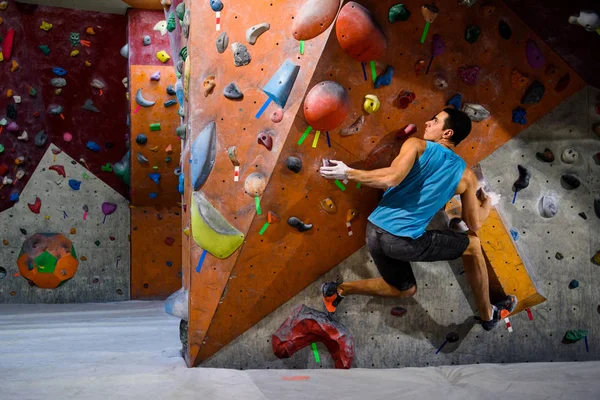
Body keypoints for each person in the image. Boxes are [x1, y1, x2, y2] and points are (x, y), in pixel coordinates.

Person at [318, 108, 516, 331]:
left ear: (447, 133)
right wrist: (487, 202)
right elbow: (475, 223)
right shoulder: (466, 177)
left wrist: (348, 172)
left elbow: (393, 177)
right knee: (474, 245)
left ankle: (338, 289)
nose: (427, 123)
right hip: (402, 243)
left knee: (406, 289)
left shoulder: (416, 146)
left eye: (434, 120)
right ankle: (488, 316)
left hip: (374, 231)